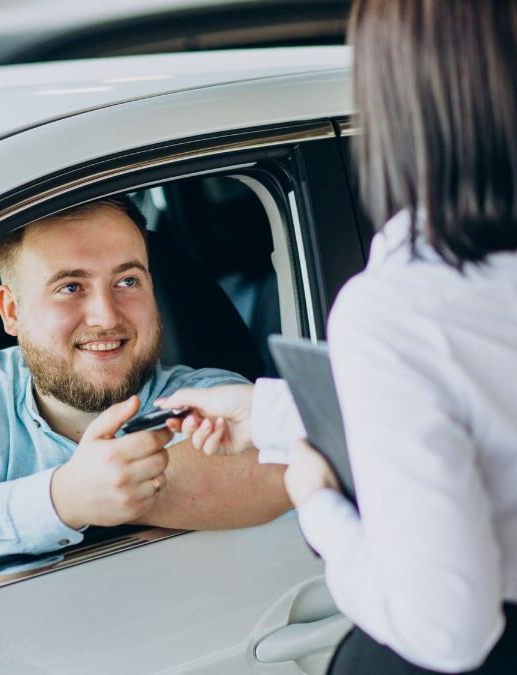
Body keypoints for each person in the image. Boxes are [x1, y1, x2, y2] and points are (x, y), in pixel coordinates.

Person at [157, 1, 517, 672]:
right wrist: (269, 412)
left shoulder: (405, 307)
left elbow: (447, 630)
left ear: (401, 95)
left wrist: (314, 499)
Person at [0, 195, 290, 570]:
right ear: (11, 310)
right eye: (70, 287)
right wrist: (64, 498)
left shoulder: (209, 399)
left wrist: (118, 491)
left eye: (128, 281)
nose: (106, 316)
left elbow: (278, 467)